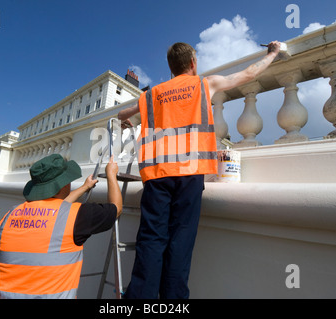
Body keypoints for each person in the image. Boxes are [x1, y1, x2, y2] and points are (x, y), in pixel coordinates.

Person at [118, 41, 281, 299]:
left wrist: (127, 119)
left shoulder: (152, 94)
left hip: (158, 175)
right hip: (189, 175)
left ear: (171, 68)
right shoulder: (204, 84)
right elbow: (249, 74)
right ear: (193, 63)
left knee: (151, 239)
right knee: (180, 242)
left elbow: (122, 114)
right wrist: (273, 52)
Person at [0, 153, 122, 299]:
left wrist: (84, 188)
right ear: (61, 185)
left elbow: (56, 212)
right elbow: (116, 208)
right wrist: (111, 175)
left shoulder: (9, 216)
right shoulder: (78, 215)